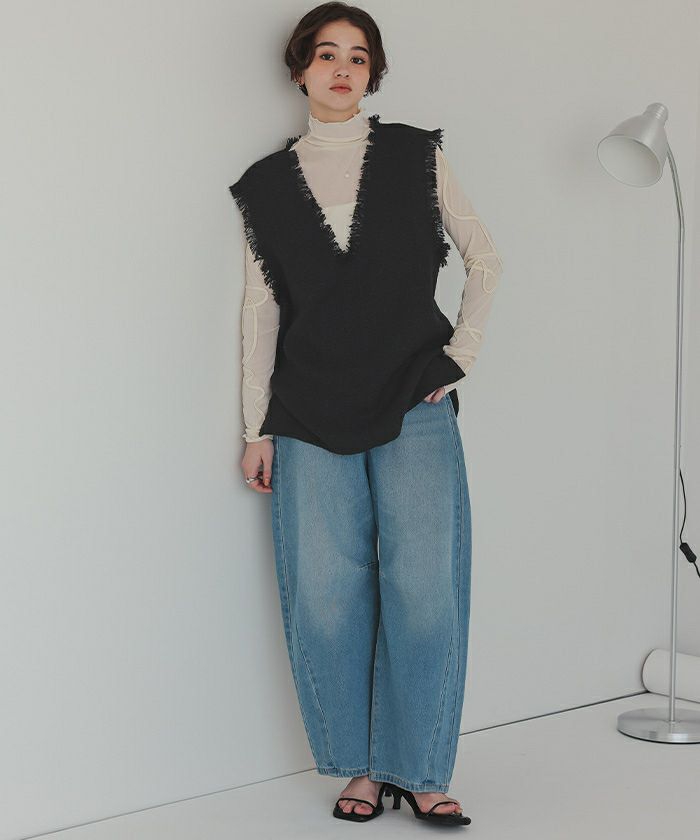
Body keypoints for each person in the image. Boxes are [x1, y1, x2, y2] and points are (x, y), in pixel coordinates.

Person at [229, 1, 502, 827]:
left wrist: (460, 356)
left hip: (414, 397)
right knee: (325, 593)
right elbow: (260, 313)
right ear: (300, 69)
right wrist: (255, 430)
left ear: (373, 73)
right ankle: (358, 769)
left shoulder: (417, 156)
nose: (342, 68)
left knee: (424, 588)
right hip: (308, 409)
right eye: (326, 54)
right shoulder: (266, 186)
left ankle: (418, 770)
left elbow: (486, 257)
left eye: (357, 56)